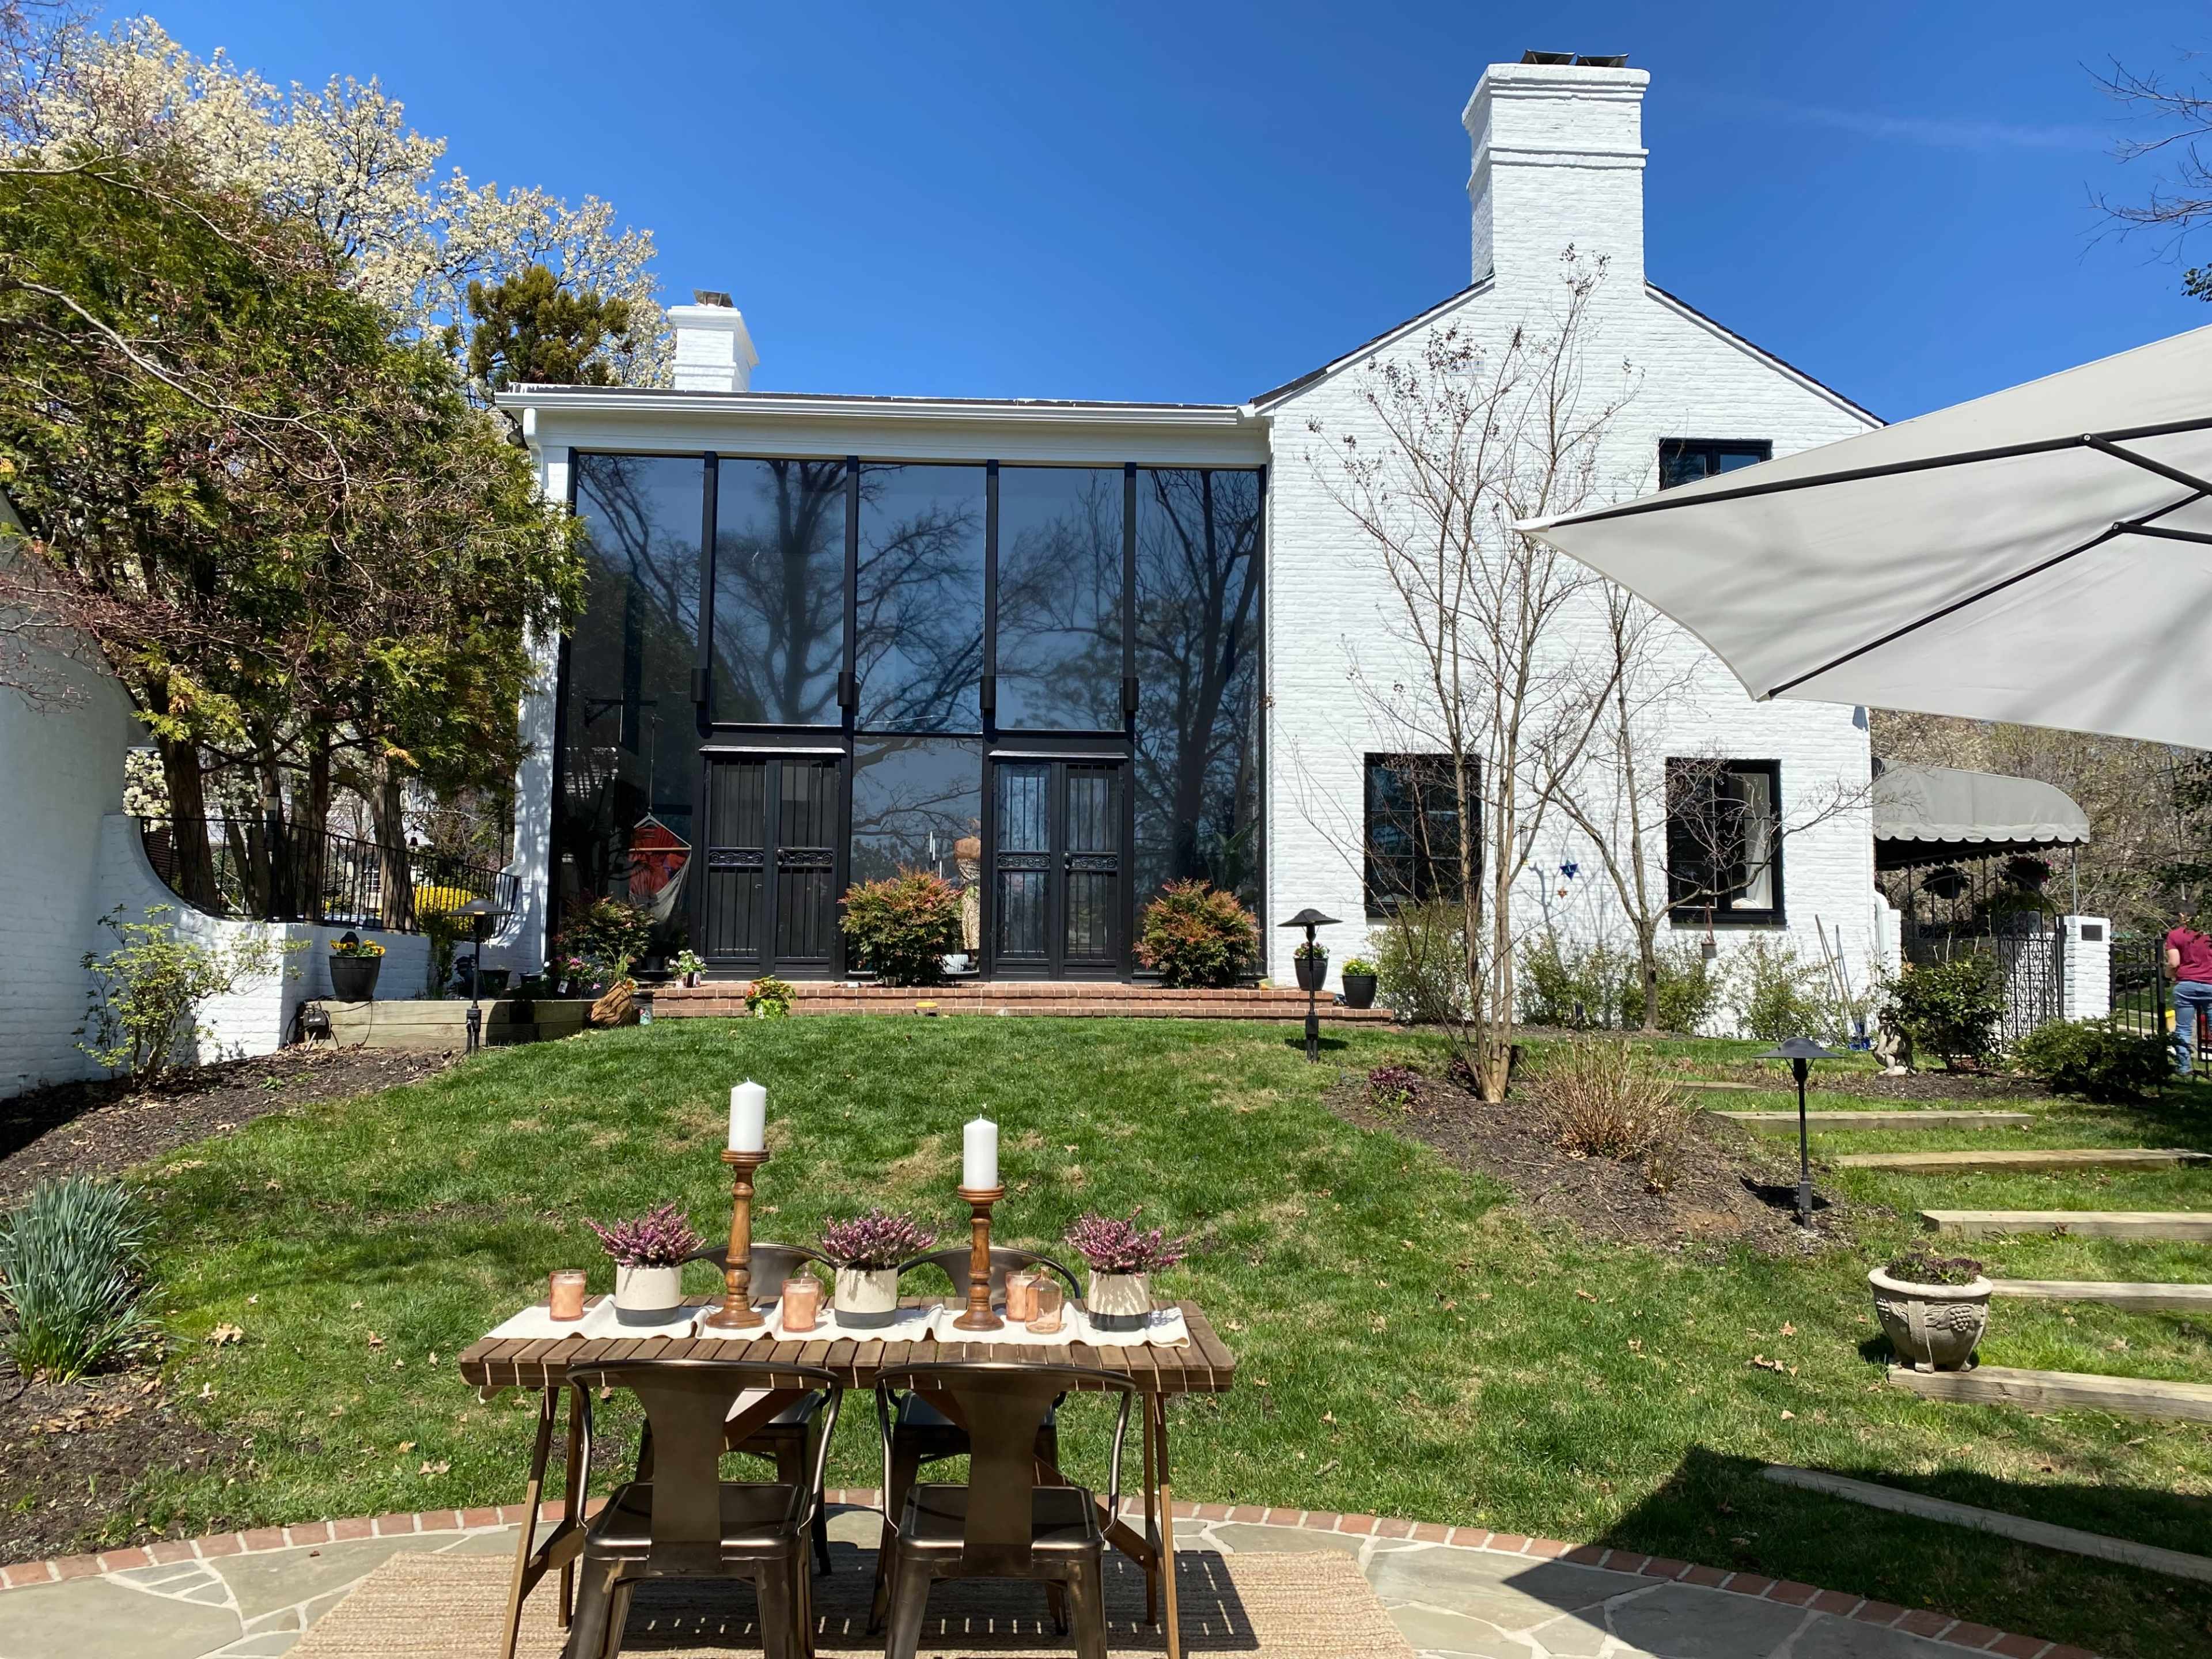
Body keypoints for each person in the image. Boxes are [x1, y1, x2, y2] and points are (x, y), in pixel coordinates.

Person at [2165, 908, 2212, 1079]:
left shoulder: (2176, 935)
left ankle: (2184, 1067)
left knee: (2183, 1029)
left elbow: (2174, 963)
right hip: (2210, 984)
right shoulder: (2209, 934)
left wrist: (2168, 974)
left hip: (2186, 985)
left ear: (2182, 916)